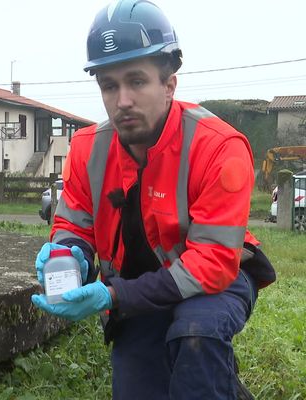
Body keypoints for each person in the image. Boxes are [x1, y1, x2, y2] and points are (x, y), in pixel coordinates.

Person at [30, 1, 276, 399]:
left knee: (195, 334)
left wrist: (113, 295)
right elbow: (73, 223)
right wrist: (69, 252)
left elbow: (211, 263)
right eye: (109, 85)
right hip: (136, 288)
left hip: (215, 282)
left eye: (137, 81)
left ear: (169, 85)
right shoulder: (87, 150)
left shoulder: (219, 148)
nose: (122, 99)